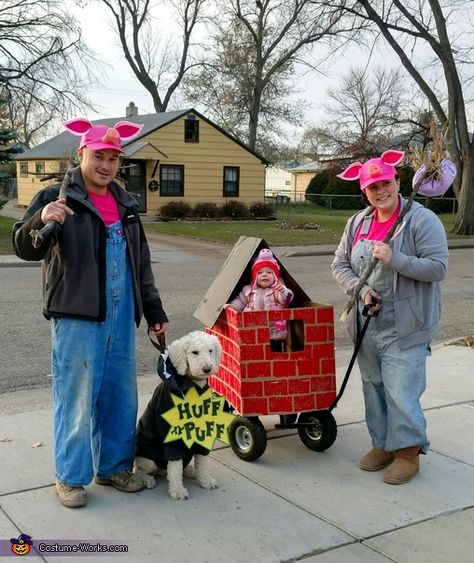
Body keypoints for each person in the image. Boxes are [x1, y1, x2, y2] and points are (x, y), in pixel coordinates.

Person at [12, 118, 169, 508]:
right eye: (99, 156)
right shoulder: (58, 197)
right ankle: (70, 478)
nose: (107, 165)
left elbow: (140, 264)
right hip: (78, 315)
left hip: (122, 313)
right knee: (77, 400)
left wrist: (153, 310)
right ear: (82, 153)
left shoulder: (127, 204)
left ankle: (114, 467)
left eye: (114, 159)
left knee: (120, 397)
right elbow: (24, 245)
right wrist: (41, 219)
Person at [331, 150, 448, 485]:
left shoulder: (421, 220)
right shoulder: (357, 222)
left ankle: (408, 452)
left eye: (384, 182)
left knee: (401, 389)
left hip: (405, 323)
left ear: (397, 181)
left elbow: (437, 268)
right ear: (363, 191)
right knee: (374, 386)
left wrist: (396, 258)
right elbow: (339, 265)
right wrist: (361, 288)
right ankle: (382, 444)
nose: (379, 191)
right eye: (372, 187)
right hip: (367, 324)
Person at [228, 248, 294, 351]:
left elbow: (288, 300)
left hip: (275, 328)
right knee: (255, 348)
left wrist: (283, 292)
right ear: (254, 277)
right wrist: (232, 306)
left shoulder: (278, 289)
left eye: (269, 272)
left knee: (274, 348)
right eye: (259, 273)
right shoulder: (248, 290)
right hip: (254, 326)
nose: (264, 275)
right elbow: (240, 301)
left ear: (275, 276)